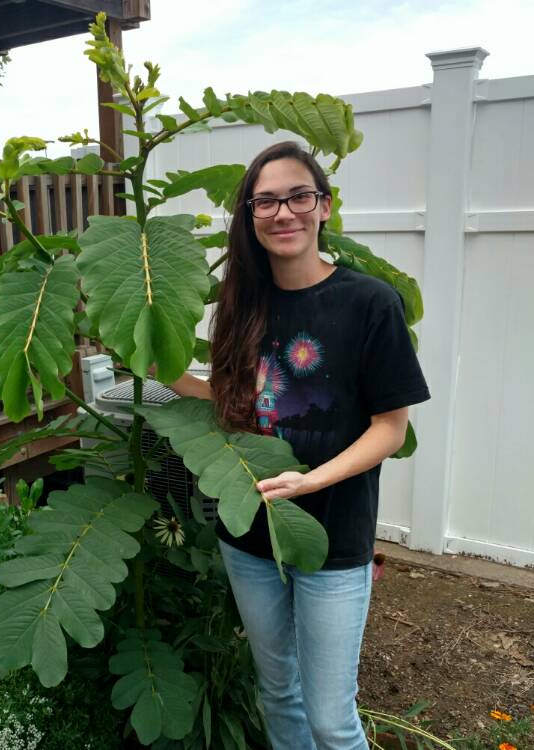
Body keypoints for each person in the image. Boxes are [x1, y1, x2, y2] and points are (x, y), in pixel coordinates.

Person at [170, 141, 430, 750]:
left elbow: (389, 429)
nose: (283, 212)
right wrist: (153, 364)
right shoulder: (241, 304)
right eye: (266, 201)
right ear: (250, 216)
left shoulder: (370, 304)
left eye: (297, 196)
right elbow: (230, 401)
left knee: (330, 719)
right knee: (277, 693)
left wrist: (311, 481)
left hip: (333, 538)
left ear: (323, 207)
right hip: (249, 537)